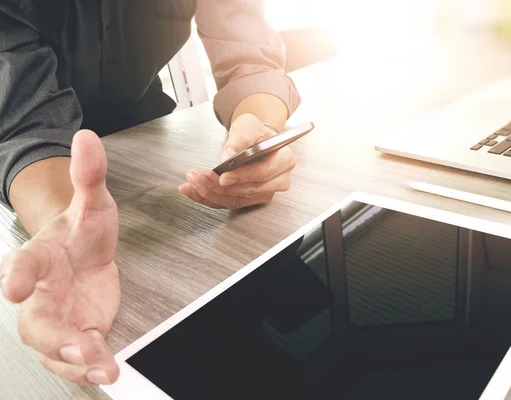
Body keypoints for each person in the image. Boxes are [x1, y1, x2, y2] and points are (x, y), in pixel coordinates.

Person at [0, 0, 301, 386]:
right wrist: (67, 222)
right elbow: (23, 123)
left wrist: (257, 132)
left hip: (151, 135)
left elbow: (250, 58)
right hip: (40, 175)